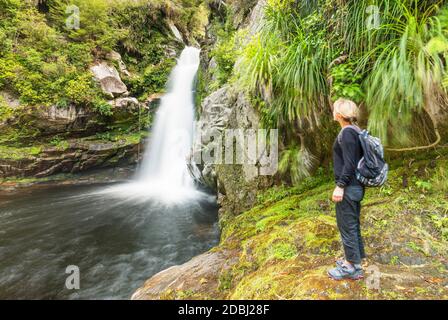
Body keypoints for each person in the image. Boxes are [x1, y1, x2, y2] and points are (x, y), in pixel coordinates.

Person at [328, 98, 365, 281]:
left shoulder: (348, 133)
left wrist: (340, 186)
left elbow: (349, 164)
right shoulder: (355, 131)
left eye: (334, 109)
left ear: (340, 114)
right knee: (352, 225)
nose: (332, 111)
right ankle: (355, 262)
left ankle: (351, 268)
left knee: (347, 227)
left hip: (349, 188)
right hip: (355, 187)